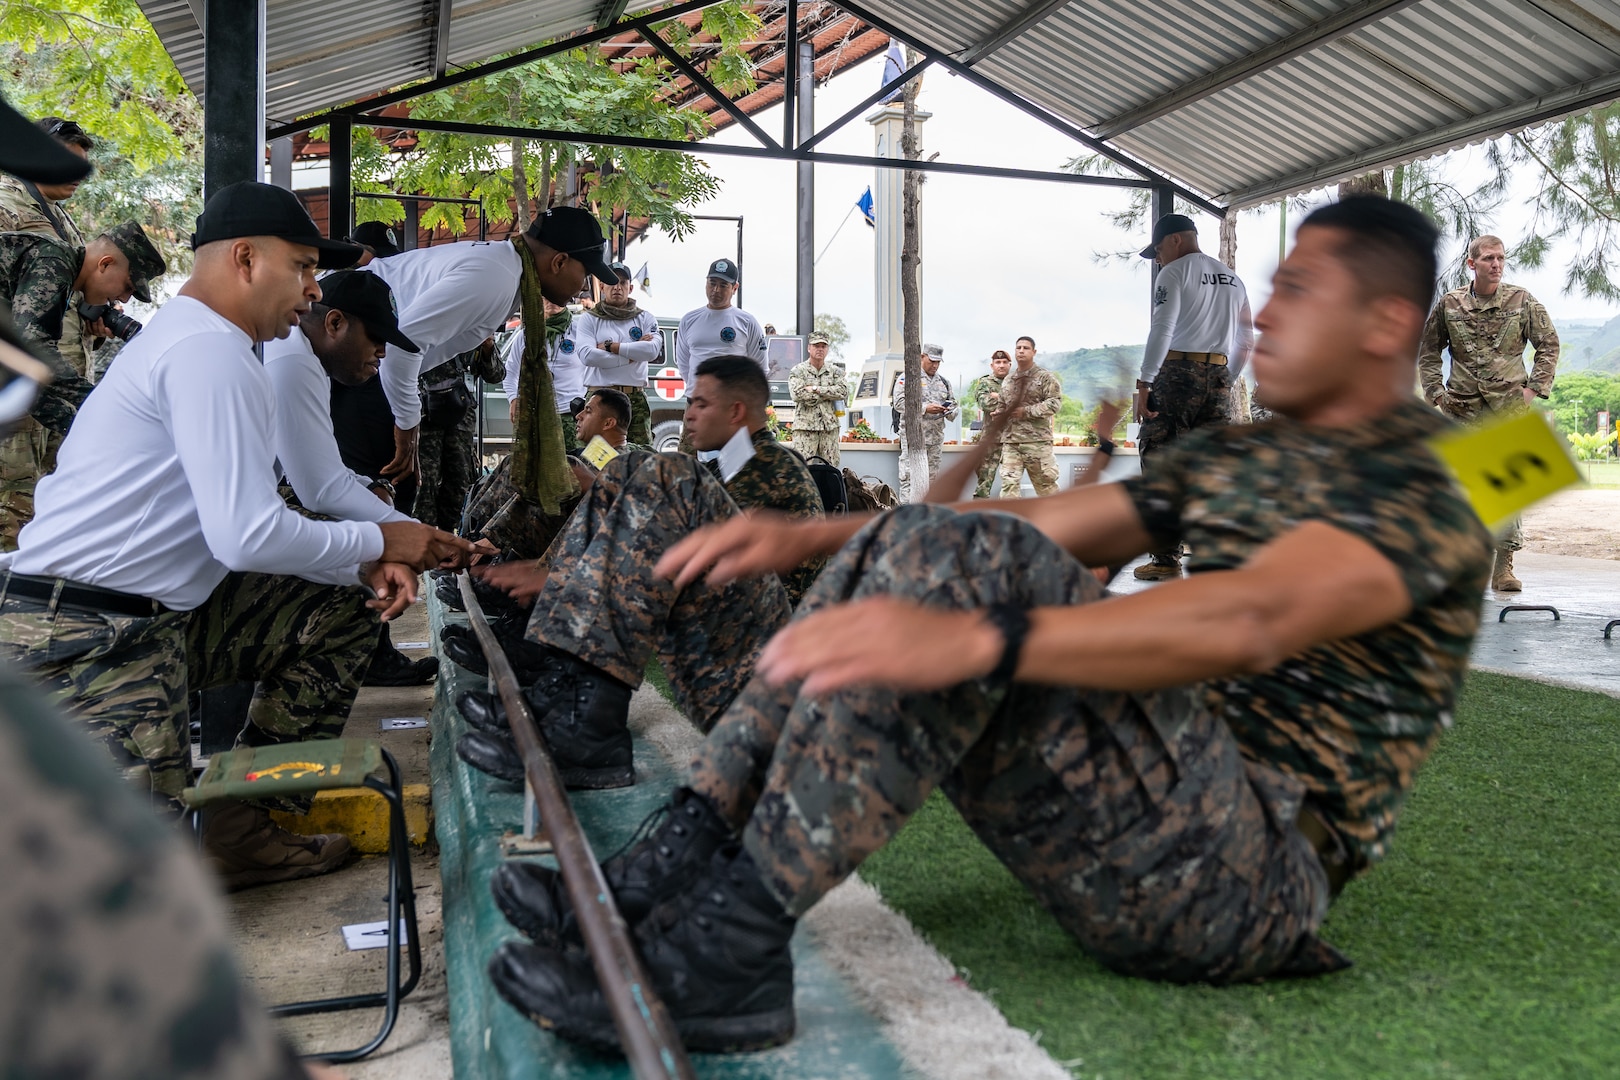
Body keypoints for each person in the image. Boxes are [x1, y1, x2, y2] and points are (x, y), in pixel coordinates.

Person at [484, 196, 1497, 1055]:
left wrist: (983, 641)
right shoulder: (1247, 459)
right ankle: (680, 870)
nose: (1260, 316)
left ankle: (726, 952)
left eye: (1299, 290)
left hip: (1242, 883)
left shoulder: (1438, 473)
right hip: (1151, 808)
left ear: (1385, 323)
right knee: (928, 535)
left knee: (973, 569)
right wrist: (809, 536)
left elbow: (1256, 612)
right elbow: (1048, 521)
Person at [0, 181, 472, 887]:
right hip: (78, 636)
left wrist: (359, 568)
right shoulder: (207, 353)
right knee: (132, 896)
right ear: (246, 259)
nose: (313, 292)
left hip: (149, 621)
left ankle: (243, 823)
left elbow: (254, 518)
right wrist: (380, 544)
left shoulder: (211, 345)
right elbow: (247, 535)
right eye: (304, 268)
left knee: (340, 609)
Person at [450, 355, 826, 791]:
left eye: (700, 404)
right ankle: (558, 668)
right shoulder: (726, 466)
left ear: (736, 411)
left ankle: (586, 727)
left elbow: (704, 551)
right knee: (627, 468)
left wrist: (568, 575)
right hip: (712, 643)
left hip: (757, 661)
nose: (687, 414)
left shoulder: (774, 468)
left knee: (664, 474)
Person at [265, 268, 450, 688]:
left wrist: (371, 491)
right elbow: (321, 488)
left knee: (356, 556)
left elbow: (313, 467)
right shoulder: (293, 360)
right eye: (377, 341)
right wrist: (416, 535)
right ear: (335, 323)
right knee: (355, 586)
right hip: (161, 566)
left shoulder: (295, 353)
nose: (382, 355)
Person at [359, 206, 618, 494]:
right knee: (386, 499)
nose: (583, 287)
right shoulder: (496, 277)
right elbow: (399, 347)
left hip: (369, 372)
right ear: (559, 262)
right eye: (585, 274)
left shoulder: (505, 268)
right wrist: (408, 430)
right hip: (357, 367)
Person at [0, 221, 167, 549]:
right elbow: (31, 352)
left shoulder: (56, 268)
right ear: (105, 263)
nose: (122, 298)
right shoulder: (54, 260)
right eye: (128, 287)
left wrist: (83, 425)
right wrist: (102, 407)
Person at [1418, 234, 1559, 593]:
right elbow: (1429, 350)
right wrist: (1436, 393)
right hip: (1460, 409)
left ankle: (1503, 567)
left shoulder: (1521, 301)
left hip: (1506, 409)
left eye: (1500, 258)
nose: (1496, 264)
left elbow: (1548, 345)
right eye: (1488, 259)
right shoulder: (1451, 304)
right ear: (1472, 264)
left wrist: (1531, 391)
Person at [1133, 212, 1255, 580]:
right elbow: (1246, 338)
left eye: (1157, 250)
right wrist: (1226, 377)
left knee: (1158, 461)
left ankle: (1166, 559)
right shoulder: (1234, 279)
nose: (1157, 259)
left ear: (1175, 240)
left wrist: (1145, 384)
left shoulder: (1173, 272)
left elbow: (1163, 327)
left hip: (1176, 377)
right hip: (1218, 376)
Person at [417, 339, 507, 530]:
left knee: (458, 480)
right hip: (425, 415)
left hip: (460, 416)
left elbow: (496, 374)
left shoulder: (470, 330)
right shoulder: (426, 329)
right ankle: (425, 535)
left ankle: (448, 536)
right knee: (425, 482)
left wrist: (487, 346)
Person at [571, 260, 659, 446]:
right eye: (612, 282)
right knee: (595, 457)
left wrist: (613, 347)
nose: (617, 287)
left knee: (640, 457)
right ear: (602, 286)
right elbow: (588, 355)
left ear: (631, 287)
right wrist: (631, 356)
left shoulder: (645, 318)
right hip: (600, 400)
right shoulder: (590, 319)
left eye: (623, 283)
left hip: (634, 399)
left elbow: (651, 351)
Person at [675, 258, 768, 387]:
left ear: (735, 288)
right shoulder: (689, 320)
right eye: (712, 283)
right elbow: (684, 364)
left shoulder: (747, 322)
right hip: (697, 400)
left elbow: (760, 366)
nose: (716, 290)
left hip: (732, 401)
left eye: (723, 285)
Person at [996, 336, 1063, 498]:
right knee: (1009, 488)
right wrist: (999, 414)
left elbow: (1055, 403)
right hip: (1011, 443)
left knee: (1046, 488)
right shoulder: (1008, 380)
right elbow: (1002, 405)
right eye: (1018, 347)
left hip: (1037, 443)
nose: (1021, 351)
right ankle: (1010, 523)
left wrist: (1026, 411)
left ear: (1034, 352)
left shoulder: (1045, 377)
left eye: (1026, 348)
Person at [892, 343, 957, 502]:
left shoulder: (944, 382)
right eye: (932, 361)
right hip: (914, 439)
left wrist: (948, 411)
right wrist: (925, 408)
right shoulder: (907, 378)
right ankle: (907, 517)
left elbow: (954, 407)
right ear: (922, 357)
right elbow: (899, 403)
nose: (935, 365)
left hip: (935, 440)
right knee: (909, 479)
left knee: (931, 481)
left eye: (938, 362)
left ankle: (926, 517)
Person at [788, 332, 847, 465]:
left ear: (827, 349)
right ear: (809, 348)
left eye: (823, 346)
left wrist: (816, 389)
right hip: (805, 429)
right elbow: (797, 394)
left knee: (831, 469)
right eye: (816, 346)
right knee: (802, 468)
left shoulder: (835, 371)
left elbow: (843, 391)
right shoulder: (798, 371)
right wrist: (829, 394)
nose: (820, 349)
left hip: (829, 428)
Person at [970, 349, 1012, 498]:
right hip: (992, 439)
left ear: (1010, 364)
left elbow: (1026, 404)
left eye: (1004, 362)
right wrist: (1010, 402)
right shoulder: (985, 382)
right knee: (984, 479)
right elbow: (985, 403)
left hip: (1013, 440)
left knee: (1011, 481)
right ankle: (979, 510)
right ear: (992, 365)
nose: (1001, 365)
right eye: (998, 362)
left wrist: (998, 396)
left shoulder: (1017, 382)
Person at [574, 386, 634, 450]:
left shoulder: (615, 459)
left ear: (608, 423)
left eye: (588, 411)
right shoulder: (636, 454)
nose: (578, 416)